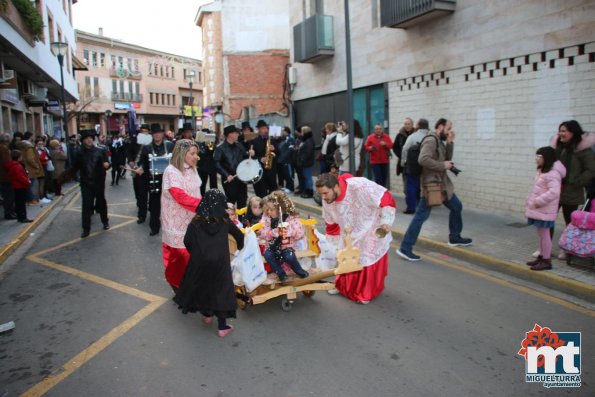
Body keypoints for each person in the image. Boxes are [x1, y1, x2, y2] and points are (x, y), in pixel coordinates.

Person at [396, 118, 473, 261]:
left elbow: (446, 159)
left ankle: (454, 237)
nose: (450, 131)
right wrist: (442, 166)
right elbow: (423, 159)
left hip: (442, 185)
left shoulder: (438, 140)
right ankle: (405, 248)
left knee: (456, 207)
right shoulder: (431, 140)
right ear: (441, 126)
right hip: (432, 186)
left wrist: (449, 143)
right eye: (448, 128)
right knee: (420, 217)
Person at [173, 189, 245, 338]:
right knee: (221, 290)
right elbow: (239, 235)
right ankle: (222, 326)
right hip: (219, 262)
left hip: (199, 261)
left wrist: (195, 253)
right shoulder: (225, 220)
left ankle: (207, 315)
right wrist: (240, 246)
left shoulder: (196, 220)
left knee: (204, 286)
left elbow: (187, 240)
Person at [315, 173, 396, 303]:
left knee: (365, 258)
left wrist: (386, 222)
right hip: (349, 231)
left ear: (336, 187)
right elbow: (331, 221)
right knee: (344, 255)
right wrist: (331, 245)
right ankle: (342, 286)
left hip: (371, 226)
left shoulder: (360, 186)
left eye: (325, 193)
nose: (323, 198)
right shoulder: (328, 200)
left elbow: (385, 196)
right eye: (321, 194)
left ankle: (365, 292)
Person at [160, 139, 202, 291]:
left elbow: (196, 192)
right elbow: (180, 197)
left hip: (192, 219)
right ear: (182, 153)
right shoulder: (172, 171)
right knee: (179, 258)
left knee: (193, 255)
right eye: (192, 153)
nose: (196, 157)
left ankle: (190, 285)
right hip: (175, 222)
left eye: (196, 153)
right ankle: (178, 287)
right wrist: (205, 205)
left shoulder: (191, 169)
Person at [550, 120, 595, 260]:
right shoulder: (558, 147)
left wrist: (577, 182)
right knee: (548, 219)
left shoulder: (583, 150)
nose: (561, 133)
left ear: (573, 132)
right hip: (555, 189)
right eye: (560, 130)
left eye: (564, 131)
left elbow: (591, 169)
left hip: (572, 191)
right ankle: (544, 248)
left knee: (569, 222)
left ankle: (565, 249)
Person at [525, 147, 566, 271]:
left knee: (545, 234)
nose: (536, 159)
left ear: (546, 158)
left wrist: (538, 201)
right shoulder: (542, 170)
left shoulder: (552, 173)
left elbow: (554, 192)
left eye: (539, 157)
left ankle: (546, 261)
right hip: (540, 209)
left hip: (545, 210)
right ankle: (541, 257)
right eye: (536, 156)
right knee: (541, 234)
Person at [66, 129, 111, 238]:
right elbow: (75, 167)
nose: (89, 140)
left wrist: (107, 165)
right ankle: (86, 228)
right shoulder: (79, 153)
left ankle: (105, 221)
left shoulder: (100, 151)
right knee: (86, 205)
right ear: (83, 141)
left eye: (91, 138)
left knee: (101, 203)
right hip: (86, 183)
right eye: (87, 138)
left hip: (99, 182)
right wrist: (65, 177)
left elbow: (107, 163)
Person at [260, 191, 309, 282]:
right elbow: (262, 231)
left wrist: (291, 232)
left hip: (287, 246)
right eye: (268, 209)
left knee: (289, 256)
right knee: (268, 255)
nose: (269, 212)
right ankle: (281, 274)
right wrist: (270, 233)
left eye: (271, 209)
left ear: (280, 209)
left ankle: (299, 270)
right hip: (272, 246)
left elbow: (300, 232)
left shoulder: (291, 218)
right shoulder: (267, 218)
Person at [136, 123, 174, 236]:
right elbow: (142, 162)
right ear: (152, 135)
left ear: (162, 134)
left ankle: (171, 227)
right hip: (153, 182)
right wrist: (141, 168)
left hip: (168, 182)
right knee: (154, 207)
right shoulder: (147, 147)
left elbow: (176, 161)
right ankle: (154, 227)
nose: (157, 135)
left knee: (170, 207)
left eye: (159, 133)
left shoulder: (170, 145)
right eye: (155, 133)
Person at [213, 125, 254, 209]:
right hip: (229, 179)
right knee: (231, 202)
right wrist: (226, 175)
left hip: (241, 178)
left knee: (242, 201)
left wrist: (250, 154)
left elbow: (245, 158)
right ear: (229, 134)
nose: (238, 134)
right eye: (236, 133)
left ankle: (241, 221)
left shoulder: (239, 145)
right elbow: (216, 163)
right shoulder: (220, 148)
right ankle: (231, 221)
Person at [400, 118, 430, 214]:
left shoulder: (413, 137)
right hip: (428, 165)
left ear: (417, 125)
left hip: (414, 165)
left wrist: (403, 162)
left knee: (412, 186)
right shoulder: (431, 136)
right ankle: (425, 206)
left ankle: (411, 208)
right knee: (426, 186)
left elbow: (405, 150)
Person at [127, 124, 152, 223]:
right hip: (137, 171)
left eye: (146, 131)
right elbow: (129, 152)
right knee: (140, 194)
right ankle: (142, 215)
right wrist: (130, 161)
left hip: (149, 171)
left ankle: (151, 208)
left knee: (152, 193)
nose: (144, 133)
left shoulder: (151, 141)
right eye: (143, 131)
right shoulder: (135, 141)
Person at [251, 119, 278, 197]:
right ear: (258, 130)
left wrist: (274, 149)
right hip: (260, 172)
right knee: (262, 194)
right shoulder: (254, 142)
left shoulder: (272, 140)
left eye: (266, 128)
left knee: (273, 193)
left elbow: (278, 153)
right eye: (263, 128)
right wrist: (260, 159)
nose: (265, 130)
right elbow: (251, 157)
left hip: (271, 170)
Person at [17, 131, 44, 205]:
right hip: (30, 169)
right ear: (30, 136)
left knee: (28, 184)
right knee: (29, 184)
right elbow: (30, 159)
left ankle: (29, 199)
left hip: (25, 167)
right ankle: (30, 199)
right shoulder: (29, 147)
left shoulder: (21, 145)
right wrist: (37, 166)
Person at [7, 150, 33, 223]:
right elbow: (20, 176)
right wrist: (27, 181)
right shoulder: (18, 166)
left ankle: (19, 217)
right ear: (19, 157)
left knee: (18, 202)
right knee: (21, 203)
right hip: (20, 186)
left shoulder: (11, 165)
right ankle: (23, 217)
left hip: (15, 185)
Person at [393, 117, 415, 201]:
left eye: (409, 124)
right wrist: (401, 155)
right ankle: (409, 200)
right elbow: (395, 147)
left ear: (412, 125)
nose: (407, 126)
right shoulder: (400, 135)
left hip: (414, 164)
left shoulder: (415, 135)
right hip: (404, 164)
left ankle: (413, 201)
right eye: (405, 124)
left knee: (414, 184)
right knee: (406, 185)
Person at [364, 123, 393, 188]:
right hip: (375, 162)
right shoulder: (370, 137)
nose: (378, 130)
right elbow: (365, 147)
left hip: (384, 161)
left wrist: (385, 144)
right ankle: (378, 193)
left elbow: (391, 145)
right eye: (377, 129)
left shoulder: (386, 137)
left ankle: (383, 193)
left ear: (382, 130)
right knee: (378, 179)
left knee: (384, 179)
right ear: (374, 130)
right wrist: (370, 148)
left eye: (380, 129)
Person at [196, 129, 218, 195]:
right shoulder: (198, 143)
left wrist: (209, 144)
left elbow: (211, 151)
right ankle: (201, 198)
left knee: (213, 184)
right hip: (202, 166)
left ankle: (214, 197)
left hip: (211, 166)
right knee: (202, 184)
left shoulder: (211, 143)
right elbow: (198, 154)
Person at [0, 134, 16, 219]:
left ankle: (10, 212)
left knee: (7, 195)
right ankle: (9, 213)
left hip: (4, 176)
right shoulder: (4, 149)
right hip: (6, 176)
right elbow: (7, 163)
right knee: (9, 195)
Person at [296, 126, 315, 198]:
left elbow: (307, 152)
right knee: (306, 177)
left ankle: (310, 192)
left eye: (302, 131)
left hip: (307, 162)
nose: (301, 133)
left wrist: (302, 160)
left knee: (308, 177)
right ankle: (307, 190)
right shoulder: (306, 139)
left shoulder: (308, 140)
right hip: (305, 162)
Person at [276, 126, 295, 192]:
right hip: (282, 160)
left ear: (286, 131)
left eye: (283, 131)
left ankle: (291, 188)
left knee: (289, 174)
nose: (281, 132)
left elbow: (290, 150)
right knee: (285, 174)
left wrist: (284, 157)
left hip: (287, 160)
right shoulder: (283, 139)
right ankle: (287, 186)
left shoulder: (290, 139)